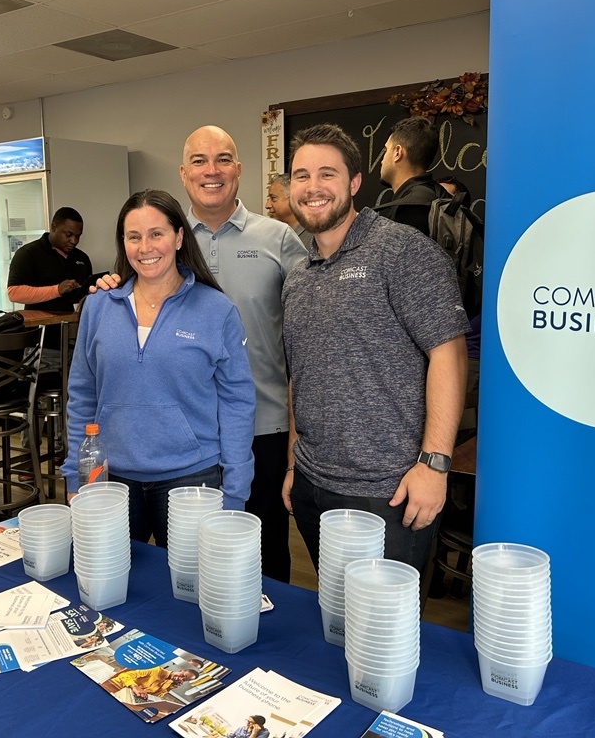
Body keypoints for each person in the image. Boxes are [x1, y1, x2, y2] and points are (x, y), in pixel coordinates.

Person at [281, 123, 470, 574]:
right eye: (300, 176)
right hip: (311, 481)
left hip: (389, 490)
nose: (312, 188)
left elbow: (450, 353)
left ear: (354, 182)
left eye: (327, 174)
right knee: (337, 619)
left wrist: (434, 465)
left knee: (384, 634)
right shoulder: (297, 277)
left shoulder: (403, 252)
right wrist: (292, 463)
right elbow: (300, 376)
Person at [61, 189, 255, 548]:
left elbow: (237, 403)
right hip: (110, 479)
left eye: (156, 234)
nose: (145, 247)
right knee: (110, 590)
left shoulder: (216, 310)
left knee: (190, 594)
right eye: (133, 237)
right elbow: (81, 396)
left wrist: (236, 489)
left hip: (191, 481)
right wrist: (76, 478)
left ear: (179, 237)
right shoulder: (99, 306)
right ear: (123, 243)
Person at [180, 126, 307, 583]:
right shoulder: (165, 242)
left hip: (263, 425)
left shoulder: (279, 239)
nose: (211, 170)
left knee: (265, 549)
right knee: (190, 549)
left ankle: (269, 650)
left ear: (238, 169)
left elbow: (311, 328)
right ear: (183, 173)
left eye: (223, 159)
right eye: (199, 160)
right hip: (185, 430)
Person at [7, 207, 93, 381]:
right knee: (42, 390)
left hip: (76, 343)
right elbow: (14, 293)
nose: (73, 241)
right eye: (68, 235)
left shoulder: (82, 258)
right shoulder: (28, 254)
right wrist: (56, 290)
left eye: (78, 236)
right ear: (53, 227)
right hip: (39, 343)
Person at [376, 115, 440, 237]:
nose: (382, 160)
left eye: (386, 150)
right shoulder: (436, 195)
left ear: (397, 153)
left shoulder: (409, 209)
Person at [103, 665, 198, 701]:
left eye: (184, 680)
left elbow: (156, 696)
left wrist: (169, 689)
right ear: (180, 670)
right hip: (116, 686)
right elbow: (124, 675)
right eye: (183, 675)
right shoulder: (156, 670)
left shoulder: (169, 683)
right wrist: (135, 686)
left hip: (128, 696)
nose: (180, 678)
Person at [266, 173, 311, 247]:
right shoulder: (272, 235)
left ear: (292, 199)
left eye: (273, 198)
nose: (267, 205)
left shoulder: (315, 238)